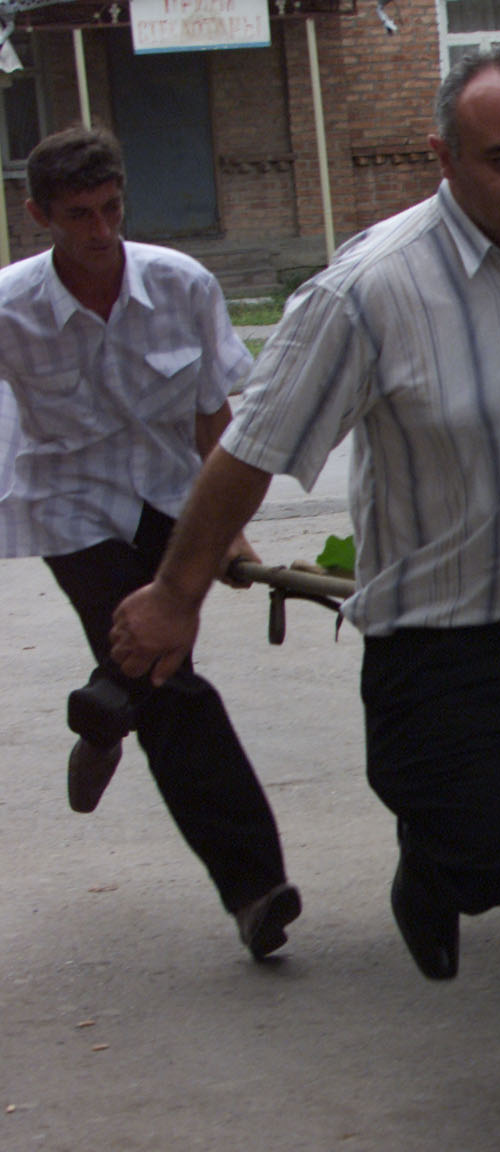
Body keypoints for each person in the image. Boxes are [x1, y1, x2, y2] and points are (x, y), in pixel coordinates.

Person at [111, 49, 500, 1138]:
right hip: (442, 645)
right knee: (493, 861)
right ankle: (435, 871)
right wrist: (175, 593)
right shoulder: (370, 289)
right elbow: (252, 446)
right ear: (442, 156)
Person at [0, 125, 300, 961]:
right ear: (39, 216)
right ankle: (256, 889)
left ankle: (105, 711)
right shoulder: (9, 309)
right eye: (79, 215)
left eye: (111, 208)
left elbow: (213, 417)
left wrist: (229, 529)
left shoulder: (181, 283)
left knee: (141, 666)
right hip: (69, 509)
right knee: (166, 672)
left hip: (175, 500)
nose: (101, 231)